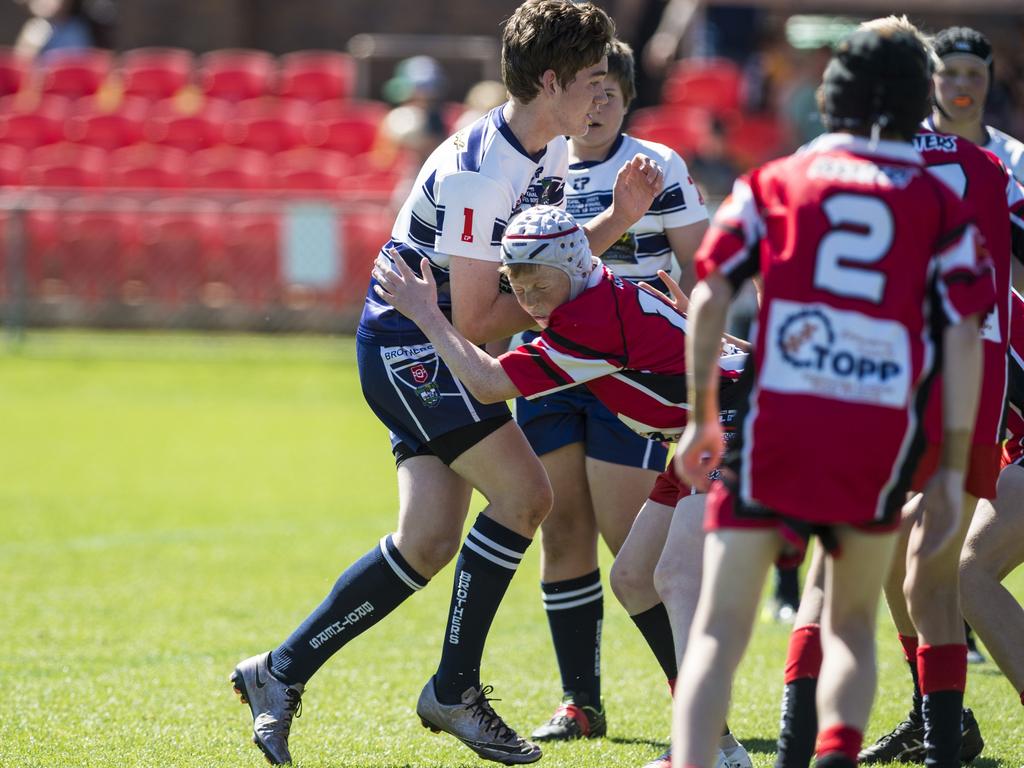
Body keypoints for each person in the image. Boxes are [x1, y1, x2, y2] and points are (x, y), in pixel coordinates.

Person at [228, 2, 664, 764]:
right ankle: (454, 690)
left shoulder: (549, 148)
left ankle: (279, 672)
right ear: (552, 80)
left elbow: (543, 277)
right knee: (528, 495)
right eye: (594, 80)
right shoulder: (483, 173)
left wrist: (616, 220)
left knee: (426, 540)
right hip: (415, 344)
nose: (605, 96)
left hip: (429, 339)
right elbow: (480, 316)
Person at [671, 27, 993, 768]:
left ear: (830, 96)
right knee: (852, 625)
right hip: (875, 439)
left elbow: (710, 293)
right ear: (921, 99)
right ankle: (837, 755)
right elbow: (967, 330)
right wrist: (948, 469)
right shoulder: (937, 201)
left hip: (775, 426)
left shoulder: (774, 180)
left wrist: (698, 416)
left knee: (720, 631)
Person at [511, 38, 708, 747]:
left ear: (626, 98)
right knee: (561, 529)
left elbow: (704, 258)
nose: (595, 110)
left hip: (634, 373)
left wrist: (701, 313)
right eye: (587, 94)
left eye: (609, 96)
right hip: (553, 364)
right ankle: (580, 703)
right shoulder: (537, 168)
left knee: (633, 546)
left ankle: (693, 701)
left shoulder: (656, 165)